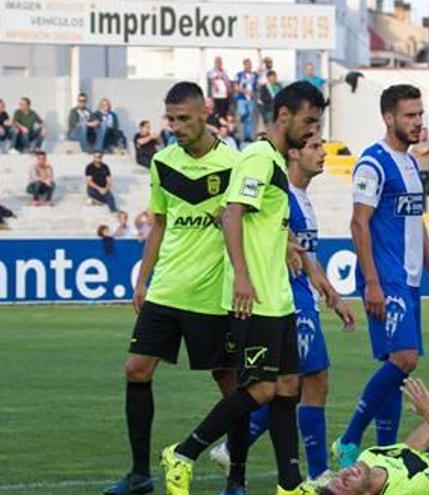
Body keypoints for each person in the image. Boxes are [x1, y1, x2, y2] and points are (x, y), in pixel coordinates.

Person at [159, 81, 328, 495]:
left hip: (280, 298)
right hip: (259, 301)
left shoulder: (271, 160)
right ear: (284, 117)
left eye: (317, 123)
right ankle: (183, 452)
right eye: (308, 122)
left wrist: (287, 247)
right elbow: (231, 214)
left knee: (290, 386)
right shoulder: (257, 157)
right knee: (263, 389)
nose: (312, 131)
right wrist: (241, 274)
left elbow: (251, 218)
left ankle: (290, 484)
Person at [102, 82, 241, 495]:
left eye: (184, 118)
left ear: (205, 114)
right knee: (136, 370)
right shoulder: (163, 162)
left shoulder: (234, 163)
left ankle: (237, 479)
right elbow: (160, 223)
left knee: (230, 384)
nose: (176, 127)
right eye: (172, 119)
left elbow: (244, 225)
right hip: (166, 289)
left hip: (210, 292)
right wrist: (143, 279)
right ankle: (140, 474)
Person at [210, 132, 357, 483]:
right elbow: (223, 213)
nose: (323, 153)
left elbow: (307, 254)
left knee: (297, 384)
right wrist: (285, 245)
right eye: (314, 146)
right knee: (306, 380)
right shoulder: (277, 189)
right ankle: (317, 472)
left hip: (303, 295)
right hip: (282, 296)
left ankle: (238, 449)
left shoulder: (303, 199)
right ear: (292, 153)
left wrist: (329, 291)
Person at [332, 84, 429, 468]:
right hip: (386, 276)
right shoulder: (372, 163)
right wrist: (372, 281)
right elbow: (358, 223)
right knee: (405, 358)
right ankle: (348, 438)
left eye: (420, 114)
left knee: (397, 366)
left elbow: (418, 224)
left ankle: (383, 455)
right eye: (409, 115)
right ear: (389, 117)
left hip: (409, 278)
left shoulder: (412, 164)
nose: (417, 122)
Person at [235, 57, 259, 143]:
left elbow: (257, 85)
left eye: (250, 64)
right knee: (243, 113)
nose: (249, 66)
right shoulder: (239, 75)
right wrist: (245, 91)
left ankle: (247, 136)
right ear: (244, 65)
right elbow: (236, 87)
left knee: (249, 119)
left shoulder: (254, 75)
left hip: (251, 100)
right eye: (247, 64)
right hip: (242, 98)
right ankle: (241, 119)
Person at [411, 126, 429, 209]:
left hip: (427, 170)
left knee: (426, 191)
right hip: (418, 170)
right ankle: (420, 208)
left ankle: (424, 209)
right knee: (418, 190)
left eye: (425, 134)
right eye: (422, 133)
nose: (423, 135)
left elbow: (423, 152)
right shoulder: (416, 144)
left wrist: (417, 151)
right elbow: (411, 155)